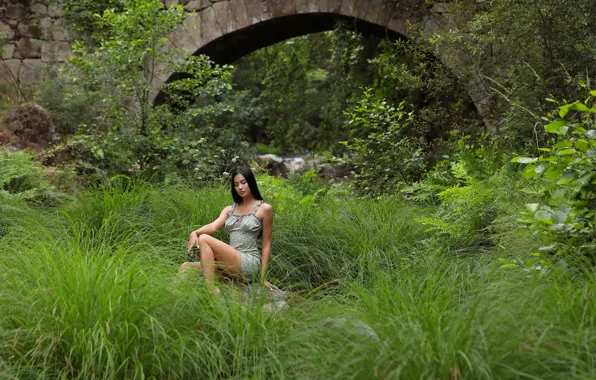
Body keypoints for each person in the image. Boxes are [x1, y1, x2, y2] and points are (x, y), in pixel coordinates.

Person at [180, 166, 279, 294]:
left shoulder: (264, 208)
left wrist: (263, 277)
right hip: (229, 264)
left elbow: (266, 244)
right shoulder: (229, 210)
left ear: (251, 182)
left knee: (204, 238)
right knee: (186, 267)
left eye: (243, 182)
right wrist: (194, 232)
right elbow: (213, 226)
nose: (240, 187)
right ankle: (169, 303)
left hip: (248, 263)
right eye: (236, 184)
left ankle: (211, 290)